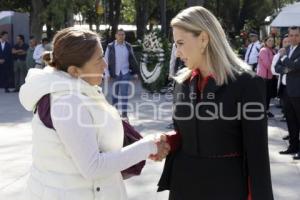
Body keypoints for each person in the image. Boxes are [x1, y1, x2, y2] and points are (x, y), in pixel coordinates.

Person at [19, 27, 170, 200]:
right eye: (99, 60)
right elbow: (93, 167)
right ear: (74, 71)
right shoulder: (67, 102)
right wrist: (149, 146)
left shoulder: (78, 90)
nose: (105, 65)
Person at [157, 6, 274, 200]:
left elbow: (257, 156)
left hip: (226, 189)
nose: (177, 53)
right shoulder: (181, 83)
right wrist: (168, 140)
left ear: (203, 39)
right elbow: (185, 132)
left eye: (180, 43)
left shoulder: (247, 84)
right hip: (183, 187)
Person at [275, 26, 300, 159]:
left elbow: (296, 66)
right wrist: (286, 67)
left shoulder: (285, 52)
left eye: (296, 35)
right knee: (290, 121)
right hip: (286, 91)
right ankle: (293, 147)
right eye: (291, 35)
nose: (293, 38)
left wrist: (284, 59)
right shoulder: (287, 49)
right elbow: (276, 67)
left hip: (298, 92)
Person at [104, 29, 139, 121]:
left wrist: (135, 72)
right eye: (119, 34)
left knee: (124, 94)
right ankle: (114, 114)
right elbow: (105, 61)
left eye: (123, 35)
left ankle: (124, 114)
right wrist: (107, 74)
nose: (121, 36)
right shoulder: (110, 46)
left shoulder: (128, 46)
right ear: (116, 36)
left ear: (124, 36)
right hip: (114, 74)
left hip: (125, 73)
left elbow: (132, 59)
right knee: (114, 95)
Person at [271, 35, 291, 124]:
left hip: (294, 86)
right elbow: (274, 69)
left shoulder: (294, 54)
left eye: (288, 42)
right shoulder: (278, 55)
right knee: (286, 106)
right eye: (285, 42)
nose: (287, 44)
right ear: (282, 43)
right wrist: (286, 70)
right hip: (283, 85)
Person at [257, 36, 276, 118]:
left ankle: (266, 110)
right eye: (269, 40)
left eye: (272, 41)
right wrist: (276, 72)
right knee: (264, 95)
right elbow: (267, 64)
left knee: (268, 95)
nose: (271, 42)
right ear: (265, 41)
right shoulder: (263, 50)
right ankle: (263, 111)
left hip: (270, 76)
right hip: (264, 77)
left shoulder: (272, 50)